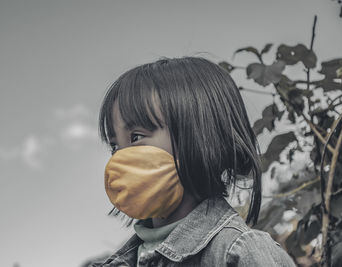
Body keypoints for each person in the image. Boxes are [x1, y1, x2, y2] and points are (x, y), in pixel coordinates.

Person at [96, 57, 296, 266]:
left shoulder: (239, 252)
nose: (119, 158)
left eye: (136, 137)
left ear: (202, 136)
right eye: (114, 147)